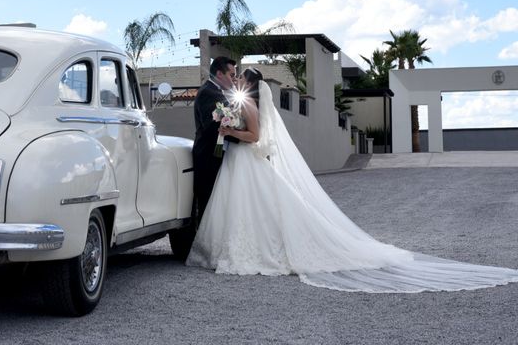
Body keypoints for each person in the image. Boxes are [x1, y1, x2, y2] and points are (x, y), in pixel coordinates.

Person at [186, 68, 518, 293]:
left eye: (241, 77)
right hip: (240, 163)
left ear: (250, 85)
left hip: (247, 160)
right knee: (244, 209)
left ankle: (256, 250)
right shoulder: (245, 103)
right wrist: (229, 128)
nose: (237, 80)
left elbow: (255, 136)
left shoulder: (253, 106)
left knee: (256, 208)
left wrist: (231, 131)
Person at [192, 56, 237, 225]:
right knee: (208, 204)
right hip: (208, 158)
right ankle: (204, 245)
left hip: (215, 156)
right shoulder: (208, 92)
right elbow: (212, 128)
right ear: (219, 73)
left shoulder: (216, 92)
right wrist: (240, 134)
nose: (233, 79)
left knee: (216, 204)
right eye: (231, 75)